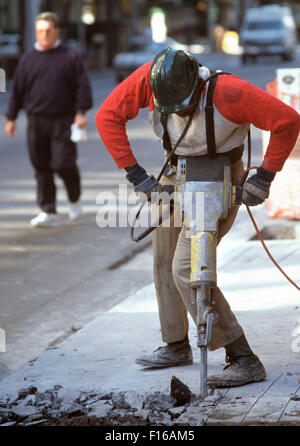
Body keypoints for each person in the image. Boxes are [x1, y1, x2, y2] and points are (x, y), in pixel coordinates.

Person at [95, 48, 300, 388]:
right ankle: (176, 344)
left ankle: (243, 356)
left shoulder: (231, 92)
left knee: (187, 267)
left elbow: (288, 121)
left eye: (184, 105)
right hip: (175, 173)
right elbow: (107, 117)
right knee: (164, 261)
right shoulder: (150, 78)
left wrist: (264, 177)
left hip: (217, 175)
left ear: (197, 85)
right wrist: (136, 175)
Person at [5, 12, 93, 227]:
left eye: (48, 31)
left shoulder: (70, 56)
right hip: (36, 121)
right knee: (41, 166)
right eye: (40, 31)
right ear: (36, 33)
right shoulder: (28, 59)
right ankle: (48, 211)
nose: (43, 35)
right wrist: (11, 118)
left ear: (56, 32)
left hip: (63, 121)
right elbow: (17, 90)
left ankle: (74, 198)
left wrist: (81, 112)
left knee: (64, 164)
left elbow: (83, 86)